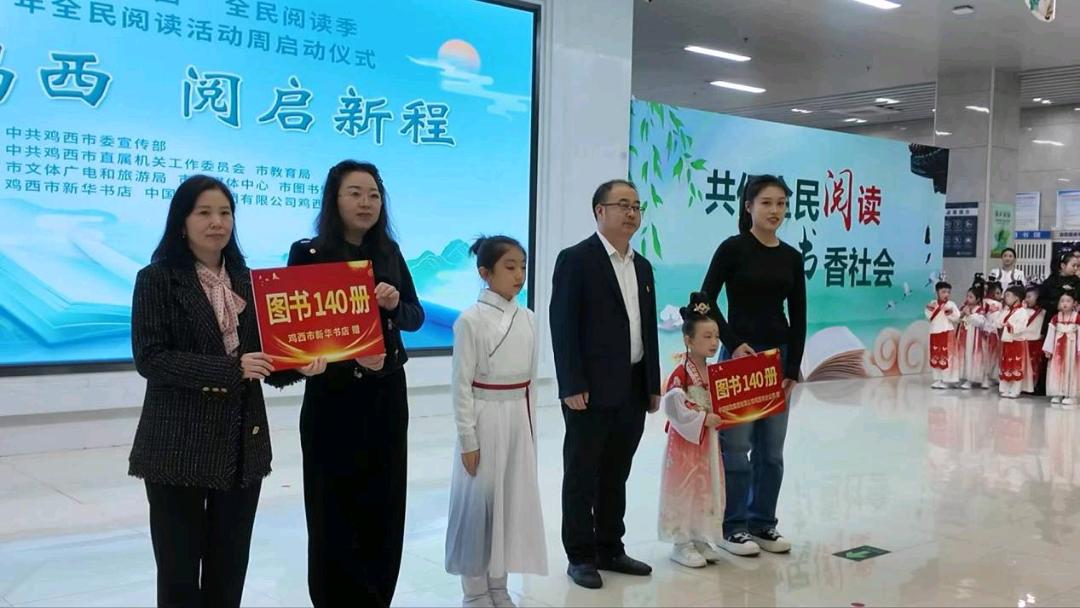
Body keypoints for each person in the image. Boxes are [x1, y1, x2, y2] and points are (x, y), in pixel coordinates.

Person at [265, 160, 425, 607]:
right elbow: (294, 330)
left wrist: (393, 305)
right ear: (334, 200)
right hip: (332, 399)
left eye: (373, 194)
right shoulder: (309, 254)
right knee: (331, 507)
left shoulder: (389, 251)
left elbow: (414, 316)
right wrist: (326, 358)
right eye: (354, 193)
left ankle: (377, 598)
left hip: (385, 396)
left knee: (384, 505)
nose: (365, 203)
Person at [129, 175, 273, 608]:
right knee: (178, 573)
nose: (217, 222)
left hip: (241, 447)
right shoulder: (157, 279)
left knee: (229, 569)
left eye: (225, 213)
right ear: (182, 221)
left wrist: (300, 364)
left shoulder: (250, 282)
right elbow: (151, 358)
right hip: (178, 445)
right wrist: (231, 368)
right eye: (204, 212)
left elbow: (263, 361)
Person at [550, 179, 661, 590]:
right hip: (590, 389)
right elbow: (563, 325)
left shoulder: (642, 266)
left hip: (632, 385)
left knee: (617, 471)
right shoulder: (576, 259)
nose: (631, 213)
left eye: (637, 206)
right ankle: (580, 555)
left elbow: (647, 328)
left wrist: (652, 382)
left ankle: (610, 547)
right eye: (622, 205)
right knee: (582, 473)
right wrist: (570, 383)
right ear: (600, 211)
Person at [700, 174, 805, 557]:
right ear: (749, 207)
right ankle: (733, 527)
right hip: (740, 360)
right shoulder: (733, 248)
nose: (775, 210)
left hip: (777, 359)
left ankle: (764, 523)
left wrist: (792, 368)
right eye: (766, 203)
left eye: (781, 203)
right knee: (737, 447)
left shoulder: (791, 257)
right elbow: (704, 299)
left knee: (771, 451)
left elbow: (799, 315)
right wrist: (731, 342)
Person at [445, 236, 547, 608]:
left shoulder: (529, 318)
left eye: (523, 266)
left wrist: (531, 432)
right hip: (485, 416)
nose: (519, 275)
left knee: (509, 503)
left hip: (517, 417)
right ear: (485, 272)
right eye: (510, 266)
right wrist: (468, 439)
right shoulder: (470, 320)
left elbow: (531, 383)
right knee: (480, 505)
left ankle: (499, 586)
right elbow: (461, 385)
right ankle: (474, 590)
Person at [658, 292, 725, 569]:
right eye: (707, 336)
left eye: (716, 336)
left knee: (705, 485)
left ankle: (699, 535)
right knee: (684, 486)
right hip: (687, 442)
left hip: (707, 440)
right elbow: (673, 406)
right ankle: (681, 541)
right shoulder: (681, 373)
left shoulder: (714, 371)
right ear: (688, 340)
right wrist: (702, 418)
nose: (714, 342)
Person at [1036, 253, 1080, 395]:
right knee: (1049, 354)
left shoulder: (1077, 282)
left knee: (1070, 356)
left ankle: (1069, 389)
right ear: (1063, 265)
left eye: (1077, 266)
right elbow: (1040, 300)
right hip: (1053, 321)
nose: (1076, 268)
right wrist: (1057, 305)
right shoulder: (1051, 281)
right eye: (1073, 265)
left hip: (1072, 324)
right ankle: (1047, 388)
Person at [1043, 288, 1080, 409]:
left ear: (1074, 303)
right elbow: (1050, 334)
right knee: (1057, 369)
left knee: (1071, 370)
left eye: (1068, 301)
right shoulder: (1055, 318)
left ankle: (1071, 395)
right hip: (1058, 349)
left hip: (1072, 350)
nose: (1065, 303)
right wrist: (1048, 349)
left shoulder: (1077, 318)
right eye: (1062, 301)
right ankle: (1058, 393)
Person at [993, 284, 1032, 399]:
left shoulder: (1022, 312)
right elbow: (998, 322)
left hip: (1016, 341)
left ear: (1017, 297)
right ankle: (1005, 388)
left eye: (1008, 295)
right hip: (1006, 341)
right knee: (1006, 364)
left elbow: (1022, 327)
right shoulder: (1007, 311)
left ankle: (1015, 389)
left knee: (1016, 365)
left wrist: (1010, 326)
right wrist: (1001, 322)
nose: (1006, 298)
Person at [926, 280, 961, 389]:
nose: (946, 294)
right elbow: (928, 315)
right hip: (935, 332)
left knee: (948, 356)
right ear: (937, 292)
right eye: (943, 292)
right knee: (936, 355)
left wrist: (949, 312)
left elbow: (957, 317)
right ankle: (938, 379)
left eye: (948, 292)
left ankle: (948, 379)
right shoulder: (933, 303)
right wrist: (931, 308)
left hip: (947, 332)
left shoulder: (951, 304)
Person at [957, 279, 989, 390]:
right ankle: (966, 378)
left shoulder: (979, 309)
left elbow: (980, 322)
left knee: (976, 357)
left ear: (978, 299)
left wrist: (969, 314)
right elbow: (957, 319)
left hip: (975, 338)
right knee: (965, 356)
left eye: (971, 297)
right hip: (964, 337)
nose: (968, 299)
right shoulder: (963, 307)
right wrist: (961, 315)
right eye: (967, 296)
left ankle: (980, 378)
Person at [1021, 284, 1047, 395]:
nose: (1027, 299)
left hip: (1037, 341)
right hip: (1025, 341)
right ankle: (1024, 385)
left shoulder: (1043, 311)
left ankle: (1034, 385)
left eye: (1029, 296)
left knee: (1035, 364)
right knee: (1024, 364)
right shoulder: (1023, 311)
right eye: (1025, 297)